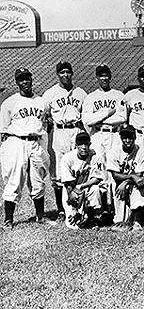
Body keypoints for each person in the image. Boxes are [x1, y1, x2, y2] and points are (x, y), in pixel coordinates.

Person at [0, 68, 51, 229]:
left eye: (27, 78)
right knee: (14, 180)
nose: (25, 82)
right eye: (21, 79)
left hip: (35, 141)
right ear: (17, 82)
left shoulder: (41, 101)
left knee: (38, 179)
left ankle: (40, 216)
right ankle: (8, 219)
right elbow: (4, 129)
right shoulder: (10, 102)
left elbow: (45, 122)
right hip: (16, 141)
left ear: (31, 79)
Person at [43, 61, 87, 222]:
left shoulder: (81, 93)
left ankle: (77, 205)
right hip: (59, 131)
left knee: (78, 167)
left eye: (68, 72)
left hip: (76, 130)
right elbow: (43, 113)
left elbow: (86, 113)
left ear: (72, 73)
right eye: (62, 72)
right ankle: (61, 209)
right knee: (58, 172)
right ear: (58, 74)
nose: (65, 75)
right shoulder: (50, 94)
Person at [82, 64, 127, 217]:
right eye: (101, 75)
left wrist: (99, 118)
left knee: (114, 169)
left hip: (114, 135)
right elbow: (87, 121)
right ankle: (100, 209)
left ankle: (114, 208)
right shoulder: (91, 97)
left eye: (106, 75)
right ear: (97, 78)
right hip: (98, 135)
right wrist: (107, 113)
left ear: (110, 76)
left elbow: (122, 117)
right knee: (99, 169)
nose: (104, 78)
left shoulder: (118, 95)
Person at [106, 125, 144, 231]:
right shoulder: (114, 152)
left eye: (130, 137)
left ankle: (138, 220)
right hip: (118, 185)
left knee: (137, 188)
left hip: (134, 184)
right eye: (124, 137)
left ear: (135, 137)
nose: (127, 140)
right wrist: (131, 176)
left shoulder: (141, 151)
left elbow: (139, 176)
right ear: (120, 138)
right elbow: (115, 176)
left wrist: (126, 181)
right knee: (121, 221)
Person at [60, 131, 104, 229]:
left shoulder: (95, 156)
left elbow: (97, 178)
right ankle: (80, 214)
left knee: (95, 189)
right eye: (80, 144)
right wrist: (74, 207)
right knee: (74, 225)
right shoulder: (67, 158)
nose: (83, 147)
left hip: (87, 187)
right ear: (76, 145)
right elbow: (68, 184)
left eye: (86, 144)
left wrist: (81, 186)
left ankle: (92, 217)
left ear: (90, 144)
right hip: (71, 190)